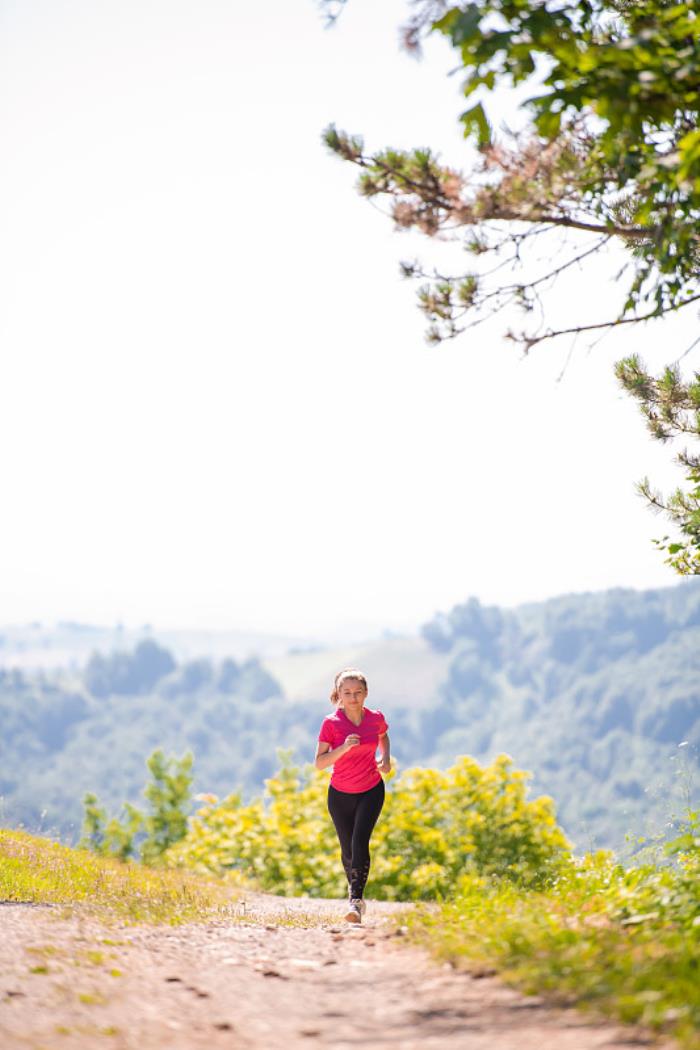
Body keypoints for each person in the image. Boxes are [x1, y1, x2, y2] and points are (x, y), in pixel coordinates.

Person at [314, 668, 390, 924]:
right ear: (339, 695)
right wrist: (344, 748)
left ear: (366, 693)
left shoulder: (375, 717)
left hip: (371, 789)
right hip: (340, 795)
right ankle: (353, 893)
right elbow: (320, 763)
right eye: (347, 693)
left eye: (358, 692)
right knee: (347, 850)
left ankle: (355, 902)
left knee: (360, 844)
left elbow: (382, 735)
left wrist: (385, 758)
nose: (353, 697)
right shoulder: (331, 723)